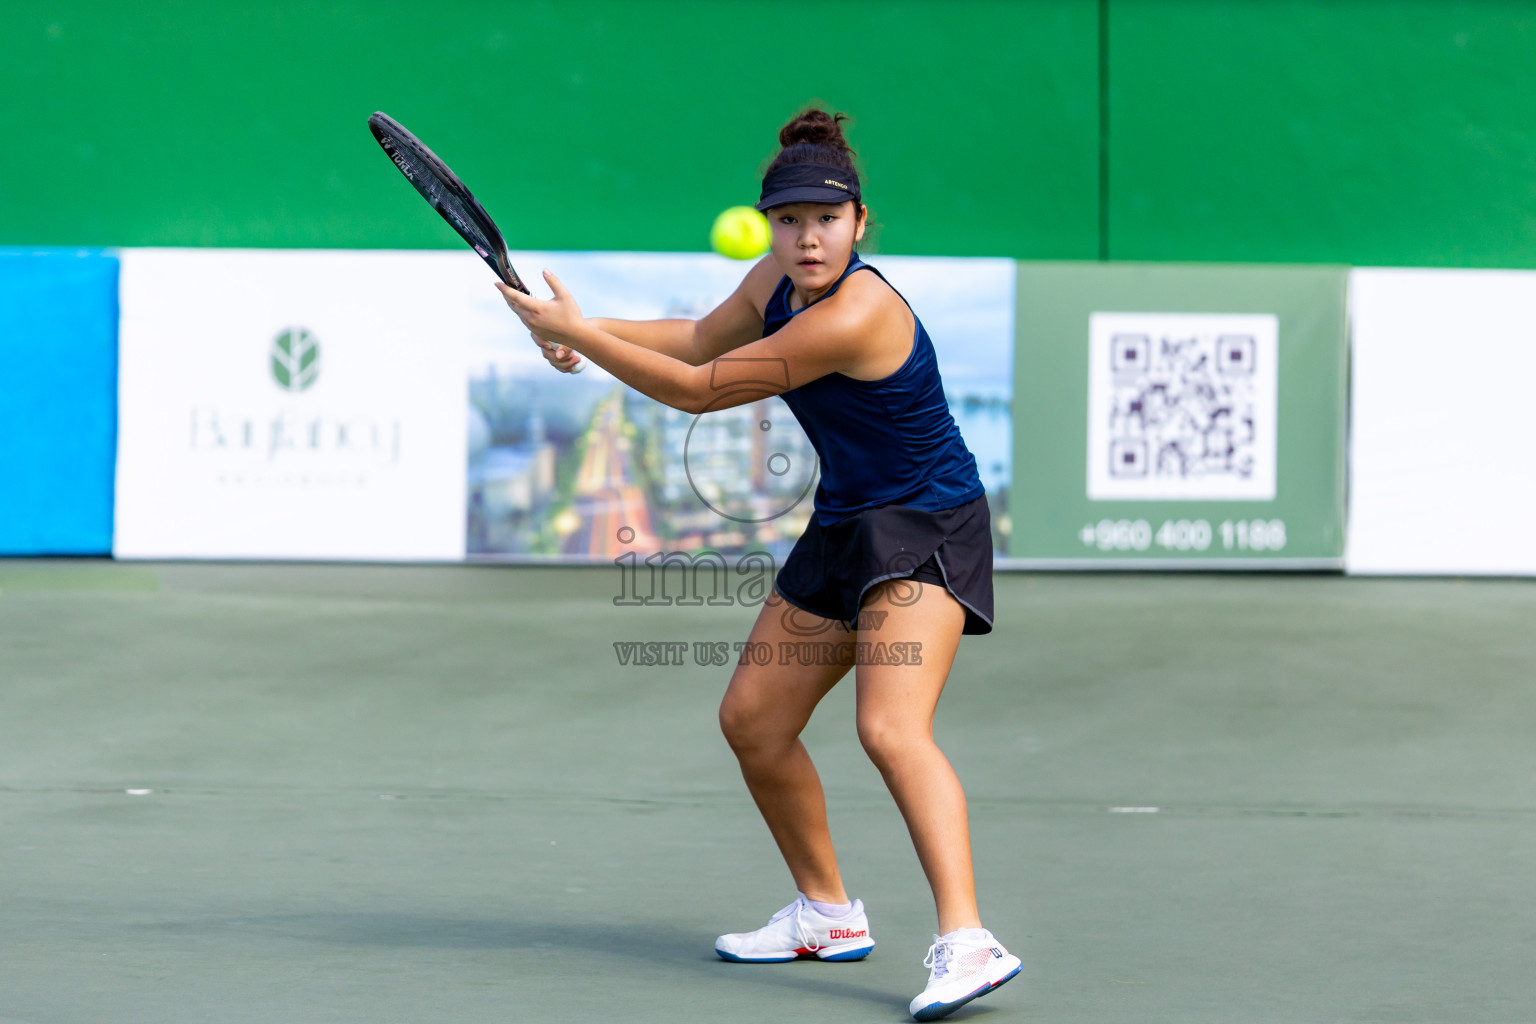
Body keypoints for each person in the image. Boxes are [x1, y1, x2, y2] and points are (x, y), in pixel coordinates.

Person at [497, 106, 1020, 1022]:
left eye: (826, 219)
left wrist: (581, 340)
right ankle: (825, 913)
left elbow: (701, 390)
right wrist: (581, 324)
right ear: (770, 224)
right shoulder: (775, 282)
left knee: (891, 728)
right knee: (753, 719)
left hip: (927, 522)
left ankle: (969, 940)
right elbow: (699, 340)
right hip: (847, 522)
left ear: (860, 224)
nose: (806, 237)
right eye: (789, 220)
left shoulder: (857, 312)